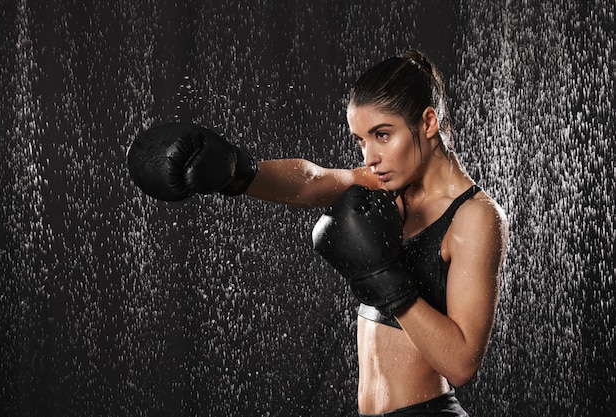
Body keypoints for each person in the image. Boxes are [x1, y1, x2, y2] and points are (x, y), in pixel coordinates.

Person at [127, 49, 509, 416]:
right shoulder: (388, 186)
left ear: (428, 122)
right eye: (361, 140)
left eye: (382, 135)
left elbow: (461, 363)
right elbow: (314, 181)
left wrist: (384, 279)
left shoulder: (475, 217)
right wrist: (237, 173)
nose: (369, 157)